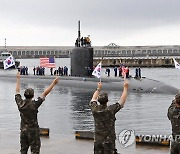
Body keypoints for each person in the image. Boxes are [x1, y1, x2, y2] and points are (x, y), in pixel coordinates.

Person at [15, 72, 58, 154]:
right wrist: (54, 83)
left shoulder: (20, 104)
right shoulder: (34, 104)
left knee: (23, 151)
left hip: (23, 131)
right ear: (33, 95)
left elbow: (17, 91)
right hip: (33, 132)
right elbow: (45, 93)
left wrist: (18, 78)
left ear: (24, 95)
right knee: (35, 151)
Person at [89, 80, 129, 154]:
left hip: (98, 141)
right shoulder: (110, 110)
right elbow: (122, 101)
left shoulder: (94, 109)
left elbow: (93, 99)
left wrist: (98, 88)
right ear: (107, 100)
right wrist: (125, 88)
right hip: (109, 141)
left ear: (99, 100)